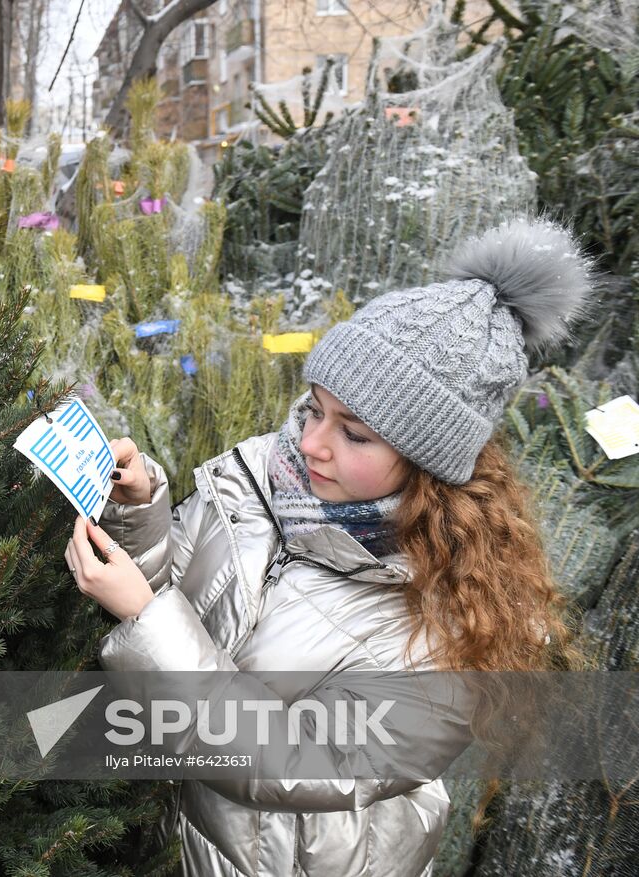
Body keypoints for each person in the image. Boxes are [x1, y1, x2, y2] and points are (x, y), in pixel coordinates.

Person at [64, 218, 589, 876]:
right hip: (190, 839)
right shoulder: (264, 481)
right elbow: (186, 593)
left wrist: (145, 615)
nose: (312, 442)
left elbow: (290, 760)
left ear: (429, 462)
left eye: (354, 433)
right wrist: (137, 510)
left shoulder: (451, 631)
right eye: (315, 408)